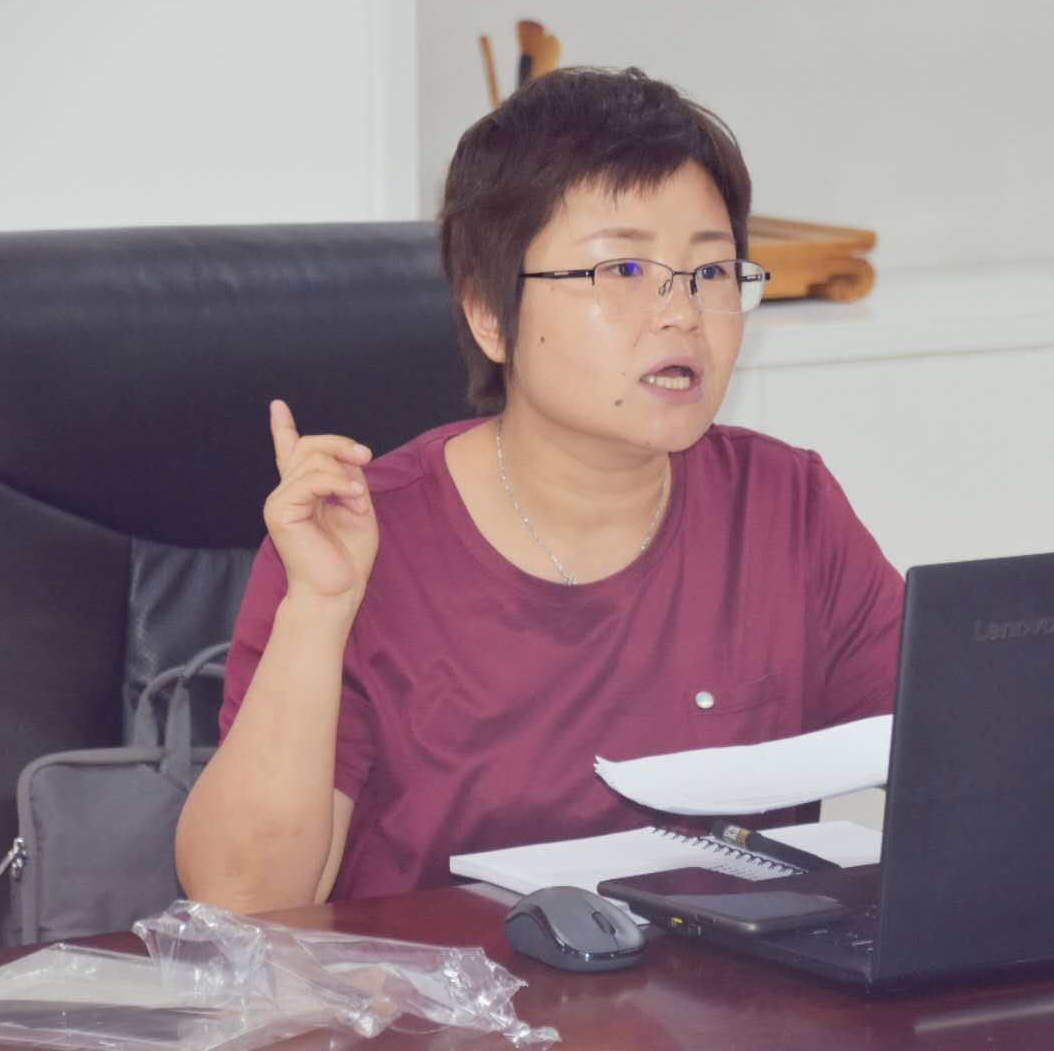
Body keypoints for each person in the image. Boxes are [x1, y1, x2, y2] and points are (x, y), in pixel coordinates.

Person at [175, 67, 903, 913]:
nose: (682, 313)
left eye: (710, 273)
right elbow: (243, 899)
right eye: (623, 269)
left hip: (727, 991)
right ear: (491, 314)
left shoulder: (784, 505)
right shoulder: (358, 537)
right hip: (446, 995)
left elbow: (961, 764)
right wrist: (319, 609)